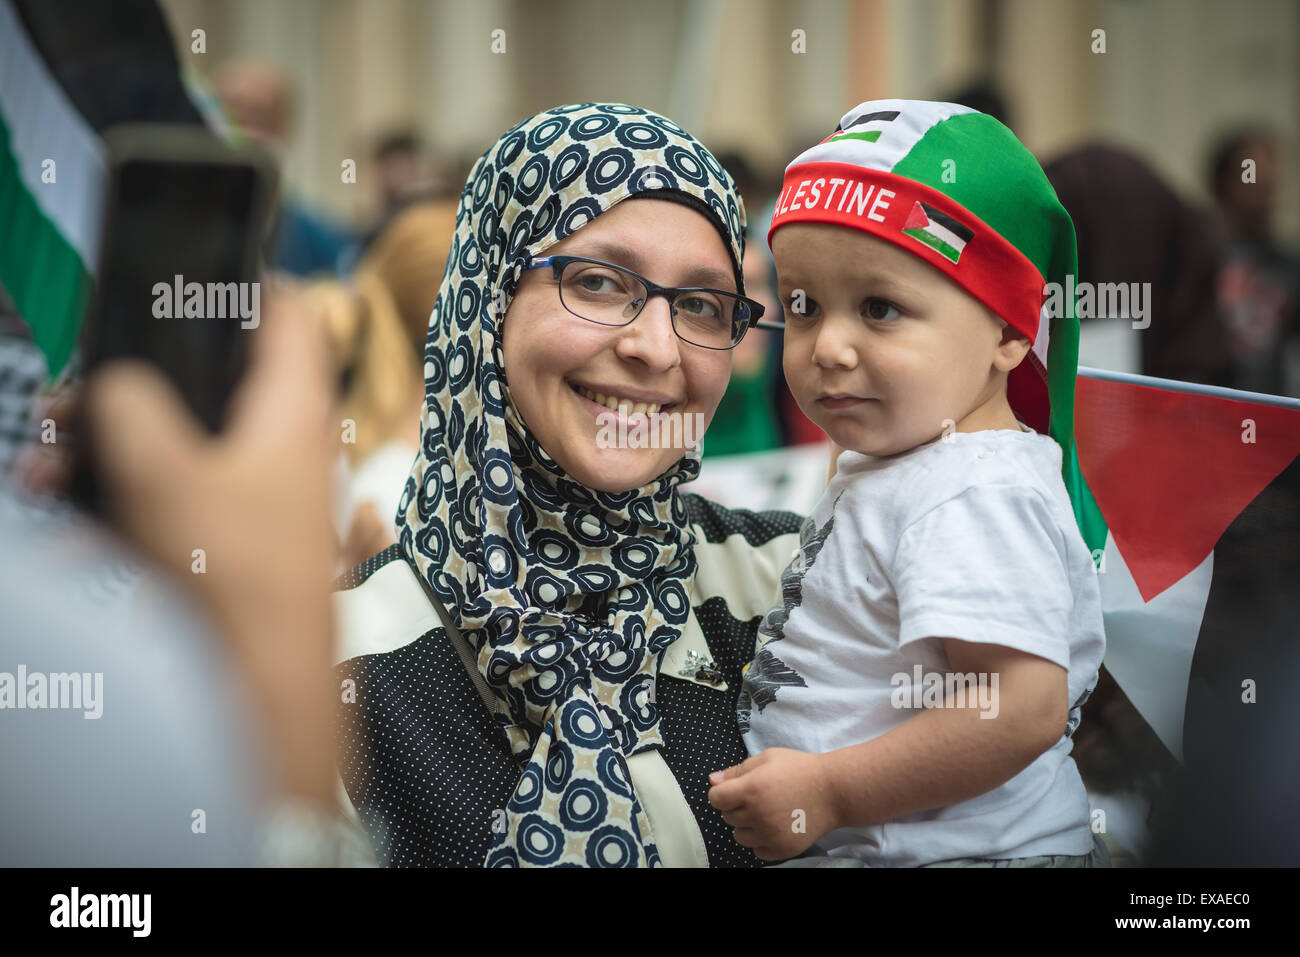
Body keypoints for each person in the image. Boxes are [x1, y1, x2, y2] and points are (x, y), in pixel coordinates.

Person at [333, 103, 806, 867]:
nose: (655, 347)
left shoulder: (795, 584)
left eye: (700, 305)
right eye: (596, 282)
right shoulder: (344, 664)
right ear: (486, 301)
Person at [711, 99, 1108, 867]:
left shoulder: (971, 487)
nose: (828, 346)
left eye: (880, 308)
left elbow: (1019, 708)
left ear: (1006, 331)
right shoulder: (923, 461)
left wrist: (829, 789)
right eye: (802, 306)